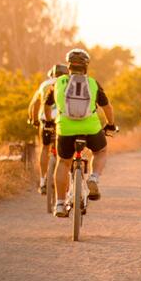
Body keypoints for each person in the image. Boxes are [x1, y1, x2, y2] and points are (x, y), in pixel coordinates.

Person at [44, 48, 117, 217]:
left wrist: (49, 121)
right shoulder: (92, 83)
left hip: (66, 129)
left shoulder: (58, 83)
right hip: (90, 128)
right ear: (86, 66)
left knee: (63, 162)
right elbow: (107, 107)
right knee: (101, 151)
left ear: (69, 66)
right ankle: (94, 178)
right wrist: (111, 125)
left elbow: (46, 106)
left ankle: (60, 204)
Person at [28, 63, 68, 195]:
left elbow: (35, 104)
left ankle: (43, 180)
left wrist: (34, 120)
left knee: (45, 147)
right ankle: (67, 182)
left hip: (46, 119)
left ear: (52, 74)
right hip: (63, 120)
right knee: (65, 154)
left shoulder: (44, 85)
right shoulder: (68, 83)